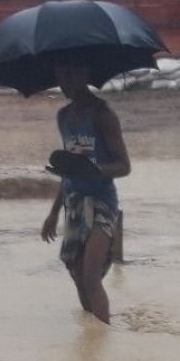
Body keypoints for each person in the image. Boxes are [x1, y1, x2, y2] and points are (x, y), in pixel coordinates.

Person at [41, 54, 131, 325]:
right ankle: (92, 340)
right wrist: (53, 213)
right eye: (60, 77)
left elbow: (124, 166)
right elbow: (68, 170)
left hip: (102, 201)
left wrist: (94, 171)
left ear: (85, 75)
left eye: (70, 75)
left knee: (91, 276)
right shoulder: (64, 116)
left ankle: (106, 337)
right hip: (74, 201)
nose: (65, 83)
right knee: (77, 275)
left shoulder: (103, 115)